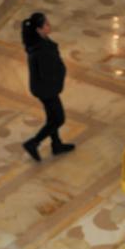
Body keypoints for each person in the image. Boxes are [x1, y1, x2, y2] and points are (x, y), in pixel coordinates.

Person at [21, 12, 75, 162]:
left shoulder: (39, 41)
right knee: (59, 119)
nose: (49, 26)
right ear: (38, 29)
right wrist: (58, 77)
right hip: (46, 89)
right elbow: (47, 73)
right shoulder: (41, 49)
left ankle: (56, 145)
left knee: (52, 117)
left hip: (42, 87)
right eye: (46, 24)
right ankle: (33, 143)